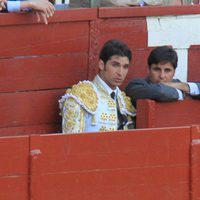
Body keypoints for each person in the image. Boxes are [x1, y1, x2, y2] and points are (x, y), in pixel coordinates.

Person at [59, 39, 136, 133]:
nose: (120, 73)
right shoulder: (80, 96)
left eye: (125, 67)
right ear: (101, 65)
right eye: (115, 65)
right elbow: (71, 142)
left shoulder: (124, 101)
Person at [125, 46, 200, 107]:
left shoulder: (178, 84)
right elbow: (160, 92)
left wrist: (184, 86)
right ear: (148, 69)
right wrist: (183, 93)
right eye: (157, 69)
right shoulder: (136, 85)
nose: (162, 76)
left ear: (174, 72)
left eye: (167, 70)